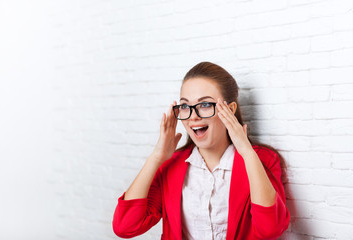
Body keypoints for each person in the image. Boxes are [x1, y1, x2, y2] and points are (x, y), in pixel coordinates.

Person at [112, 62, 290, 239]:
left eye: (205, 104)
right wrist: (156, 157)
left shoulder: (261, 159)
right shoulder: (172, 164)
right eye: (184, 106)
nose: (193, 116)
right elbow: (125, 226)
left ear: (229, 109)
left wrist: (247, 153)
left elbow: (270, 229)